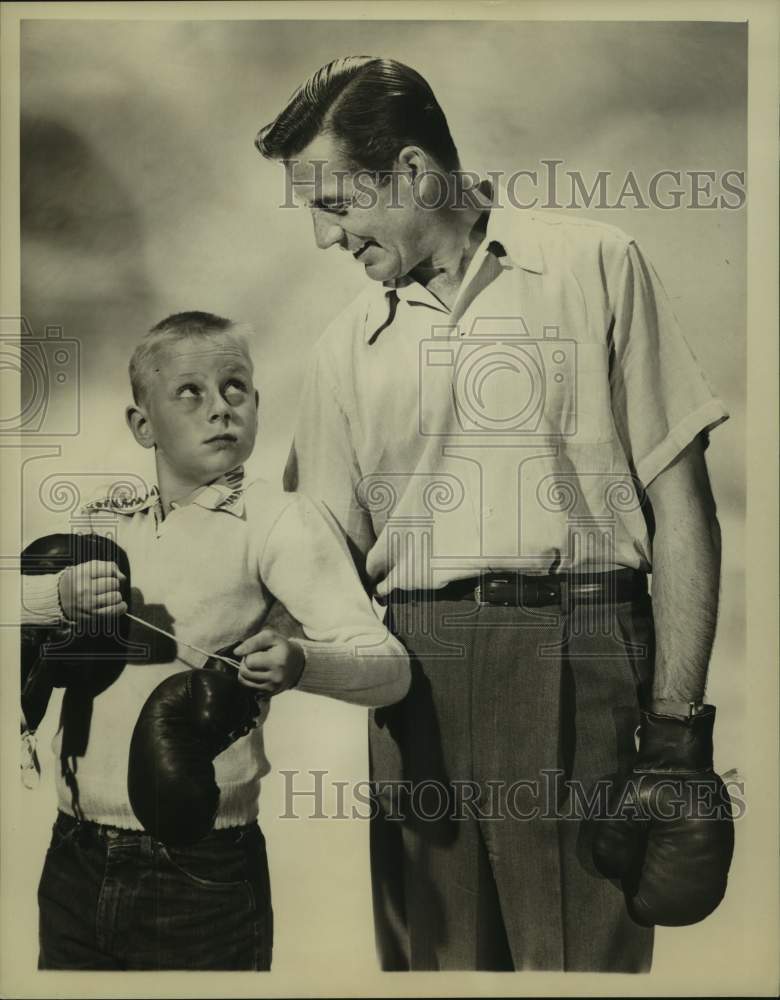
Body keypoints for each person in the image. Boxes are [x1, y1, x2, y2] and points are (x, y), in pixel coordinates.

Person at [254, 57, 733, 972]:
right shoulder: (341, 350)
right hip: (415, 684)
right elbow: (311, 564)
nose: (323, 237)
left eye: (335, 203)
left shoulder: (596, 264)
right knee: (436, 973)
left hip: (585, 656)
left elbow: (683, 504)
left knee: (580, 972)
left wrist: (678, 729)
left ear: (413, 172)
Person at [20, 310, 410, 970]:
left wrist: (300, 662)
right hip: (74, 856)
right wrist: (51, 600)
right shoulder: (103, 523)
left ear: (257, 404)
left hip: (202, 871)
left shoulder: (279, 521)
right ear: (143, 425)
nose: (219, 409)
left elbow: (389, 668)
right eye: (190, 393)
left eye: (235, 388)